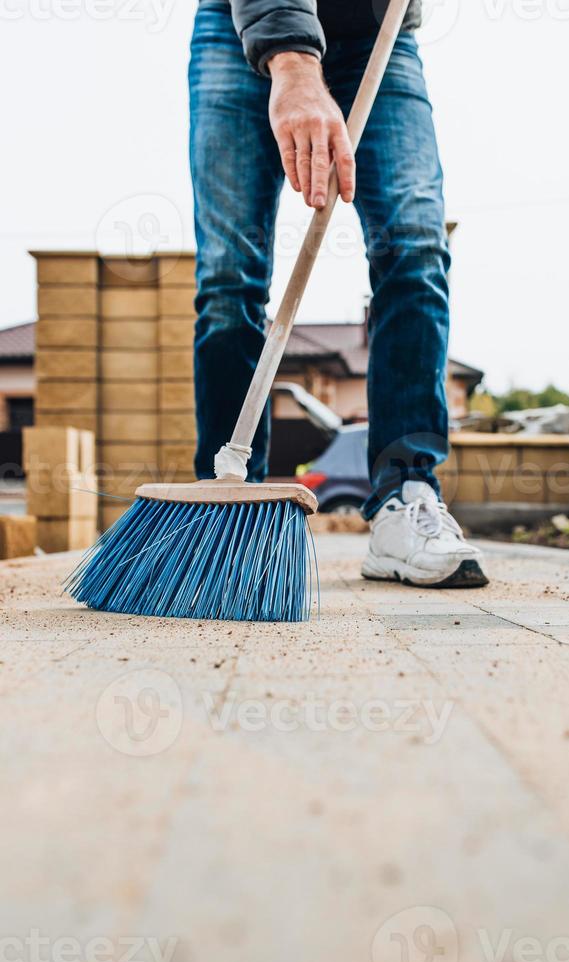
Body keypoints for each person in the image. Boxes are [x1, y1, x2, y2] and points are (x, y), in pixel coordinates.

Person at [189, 0, 488, 588]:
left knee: (415, 248)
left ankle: (406, 494)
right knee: (229, 275)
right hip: (239, 27)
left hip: (381, 33)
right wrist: (292, 60)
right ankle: (227, 519)